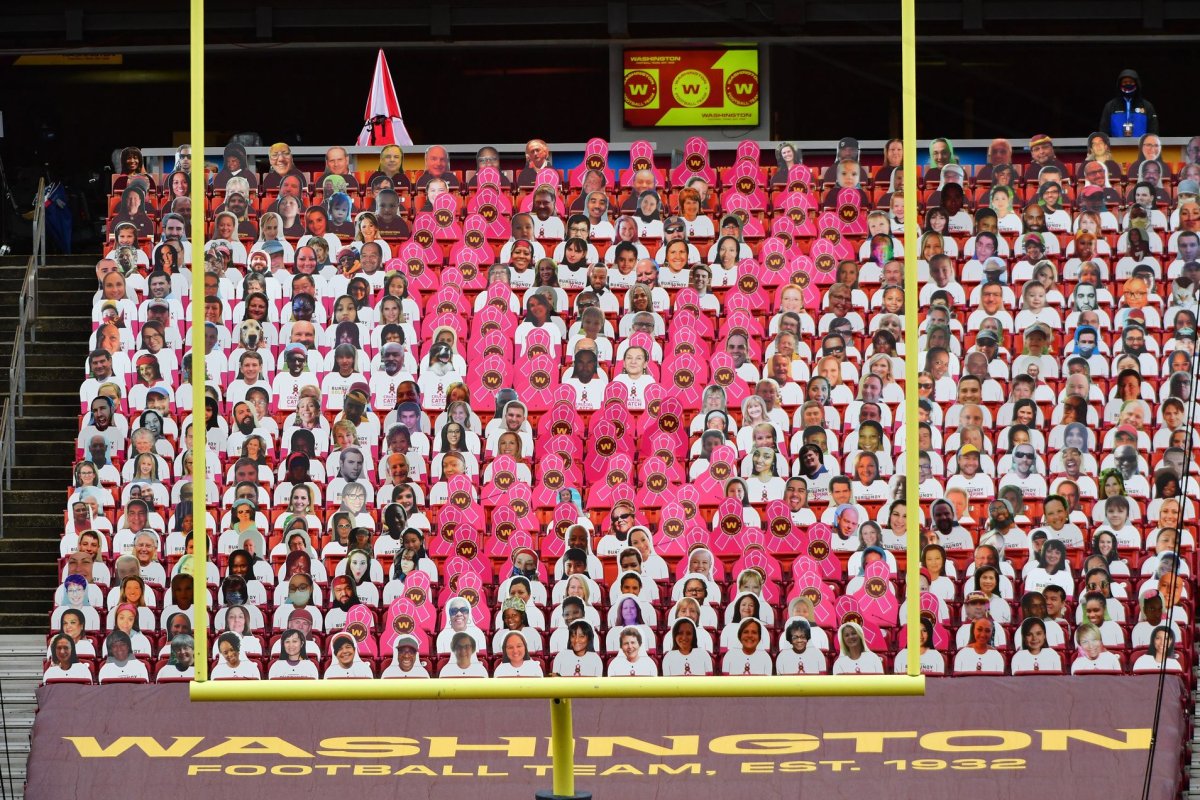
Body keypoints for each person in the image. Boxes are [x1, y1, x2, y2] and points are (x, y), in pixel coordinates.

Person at [1099, 69, 1159, 137]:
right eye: (1124, 82)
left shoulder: (1147, 106)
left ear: (1137, 83)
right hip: (1116, 144)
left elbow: (1154, 132)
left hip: (1141, 144)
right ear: (1120, 84)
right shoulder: (1110, 106)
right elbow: (1103, 133)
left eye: (1131, 82)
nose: (1128, 84)